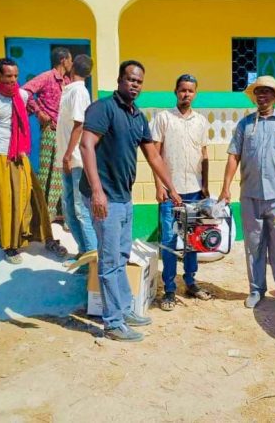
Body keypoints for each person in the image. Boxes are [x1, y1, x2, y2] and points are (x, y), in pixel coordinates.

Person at [79, 60, 182, 342]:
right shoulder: (103, 108)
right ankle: (113, 323)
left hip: (124, 197)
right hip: (105, 197)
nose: (134, 85)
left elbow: (153, 156)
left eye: (139, 81)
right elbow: (86, 145)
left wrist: (172, 188)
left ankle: (124, 310)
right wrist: (97, 191)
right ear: (119, 80)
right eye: (130, 79)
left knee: (122, 257)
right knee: (110, 260)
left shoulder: (138, 117)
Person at [219, 76, 275, 314]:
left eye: (267, 92)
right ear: (254, 96)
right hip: (250, 196)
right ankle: (256, 290)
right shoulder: (245, 125)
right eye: (258, 92)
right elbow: (233, 156)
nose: (262, 96)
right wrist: (226, 187)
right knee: (254, 246)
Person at [0, 58, 67, 264]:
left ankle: (42, 236)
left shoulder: (22, 96)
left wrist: (42, 113)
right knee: (4, 200)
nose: (13, 80)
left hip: (19, 152)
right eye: (8, 76)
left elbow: (32, 108)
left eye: (16, 75)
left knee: (33, 195)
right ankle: (10, 246)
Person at [152, 74, 212, 311]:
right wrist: (159, 186)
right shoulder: (163, 118)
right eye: (182, 90)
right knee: (169, 241)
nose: (186, 94)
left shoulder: (201, 121)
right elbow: (155, 155)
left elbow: (204, 155)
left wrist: (205, 185)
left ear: (195, 94)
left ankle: (190, 281)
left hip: (194, 192)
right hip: (170, 192)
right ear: (175, 92)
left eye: (190, 90)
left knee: (193, 240)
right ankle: (169, 289)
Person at [22, 47, 73, 223]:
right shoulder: (47, 77)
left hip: (64, 133)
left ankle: (52, 214)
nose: (71, 63)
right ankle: (40, 214)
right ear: (63, 60)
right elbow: (25, 91)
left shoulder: (67, 81)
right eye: (70, 59)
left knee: (59, 174)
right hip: (50, 130)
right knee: (45, 173)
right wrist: (38, 112)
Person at [56, 54, 97, 263]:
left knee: (81, 209)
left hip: (76, 160)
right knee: (69, 208)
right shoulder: (70, 90)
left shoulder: (79, 92)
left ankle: (92, 257)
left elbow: (79, 125)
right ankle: (84, 252)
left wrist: (67, 155)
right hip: (67, 159)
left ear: (72, 68)